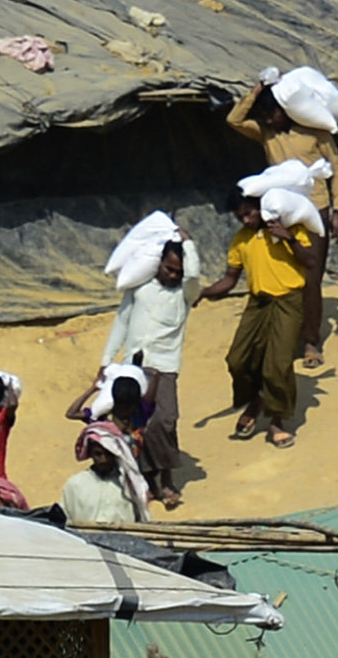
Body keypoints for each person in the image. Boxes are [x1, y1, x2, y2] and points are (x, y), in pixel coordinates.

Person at [227, 75, 338, 369]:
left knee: (310, 276)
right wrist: (257, 89)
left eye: (273, 113)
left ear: (287, 109)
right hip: (278, 211)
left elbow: (337, 168)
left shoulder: (315, 132)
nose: (269, 119)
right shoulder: (266, 133)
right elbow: (234, 120)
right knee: (281, 274)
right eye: (265, 115)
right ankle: (284, 334)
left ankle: (310, 341)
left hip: (314, 210)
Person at [201, 194, 313, 447]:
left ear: (261, 209)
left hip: (288, 302)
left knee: (278, 365)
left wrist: (290, 239)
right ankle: (255, 399)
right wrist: (205, 293)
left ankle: (277, 421)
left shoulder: (291, 229)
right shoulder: (241, 239)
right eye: (240, 216)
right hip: (258, 304)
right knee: (237, 358)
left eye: (249, 213)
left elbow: (311, 261)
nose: (245, 219)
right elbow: (230, 279)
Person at [101, 236, 200, 508]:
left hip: (164, 366)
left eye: (178, 271)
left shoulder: (185, 294)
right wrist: (107, 359)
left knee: (164, 420)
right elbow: (122, 320)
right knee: (135, 423)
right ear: (158, 264)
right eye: (168, 268)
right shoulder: (140, 288)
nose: (173, 275)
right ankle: (148, 479)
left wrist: (188, 245)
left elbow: (193, 277)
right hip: (133, 365)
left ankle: (167, 476)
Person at [58, 422, 149, 527]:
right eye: (98, 454)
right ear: (90, 454)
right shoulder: (75, 484)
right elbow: (64, 520)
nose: (103, 460)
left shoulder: (129, 485)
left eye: (108, 454)